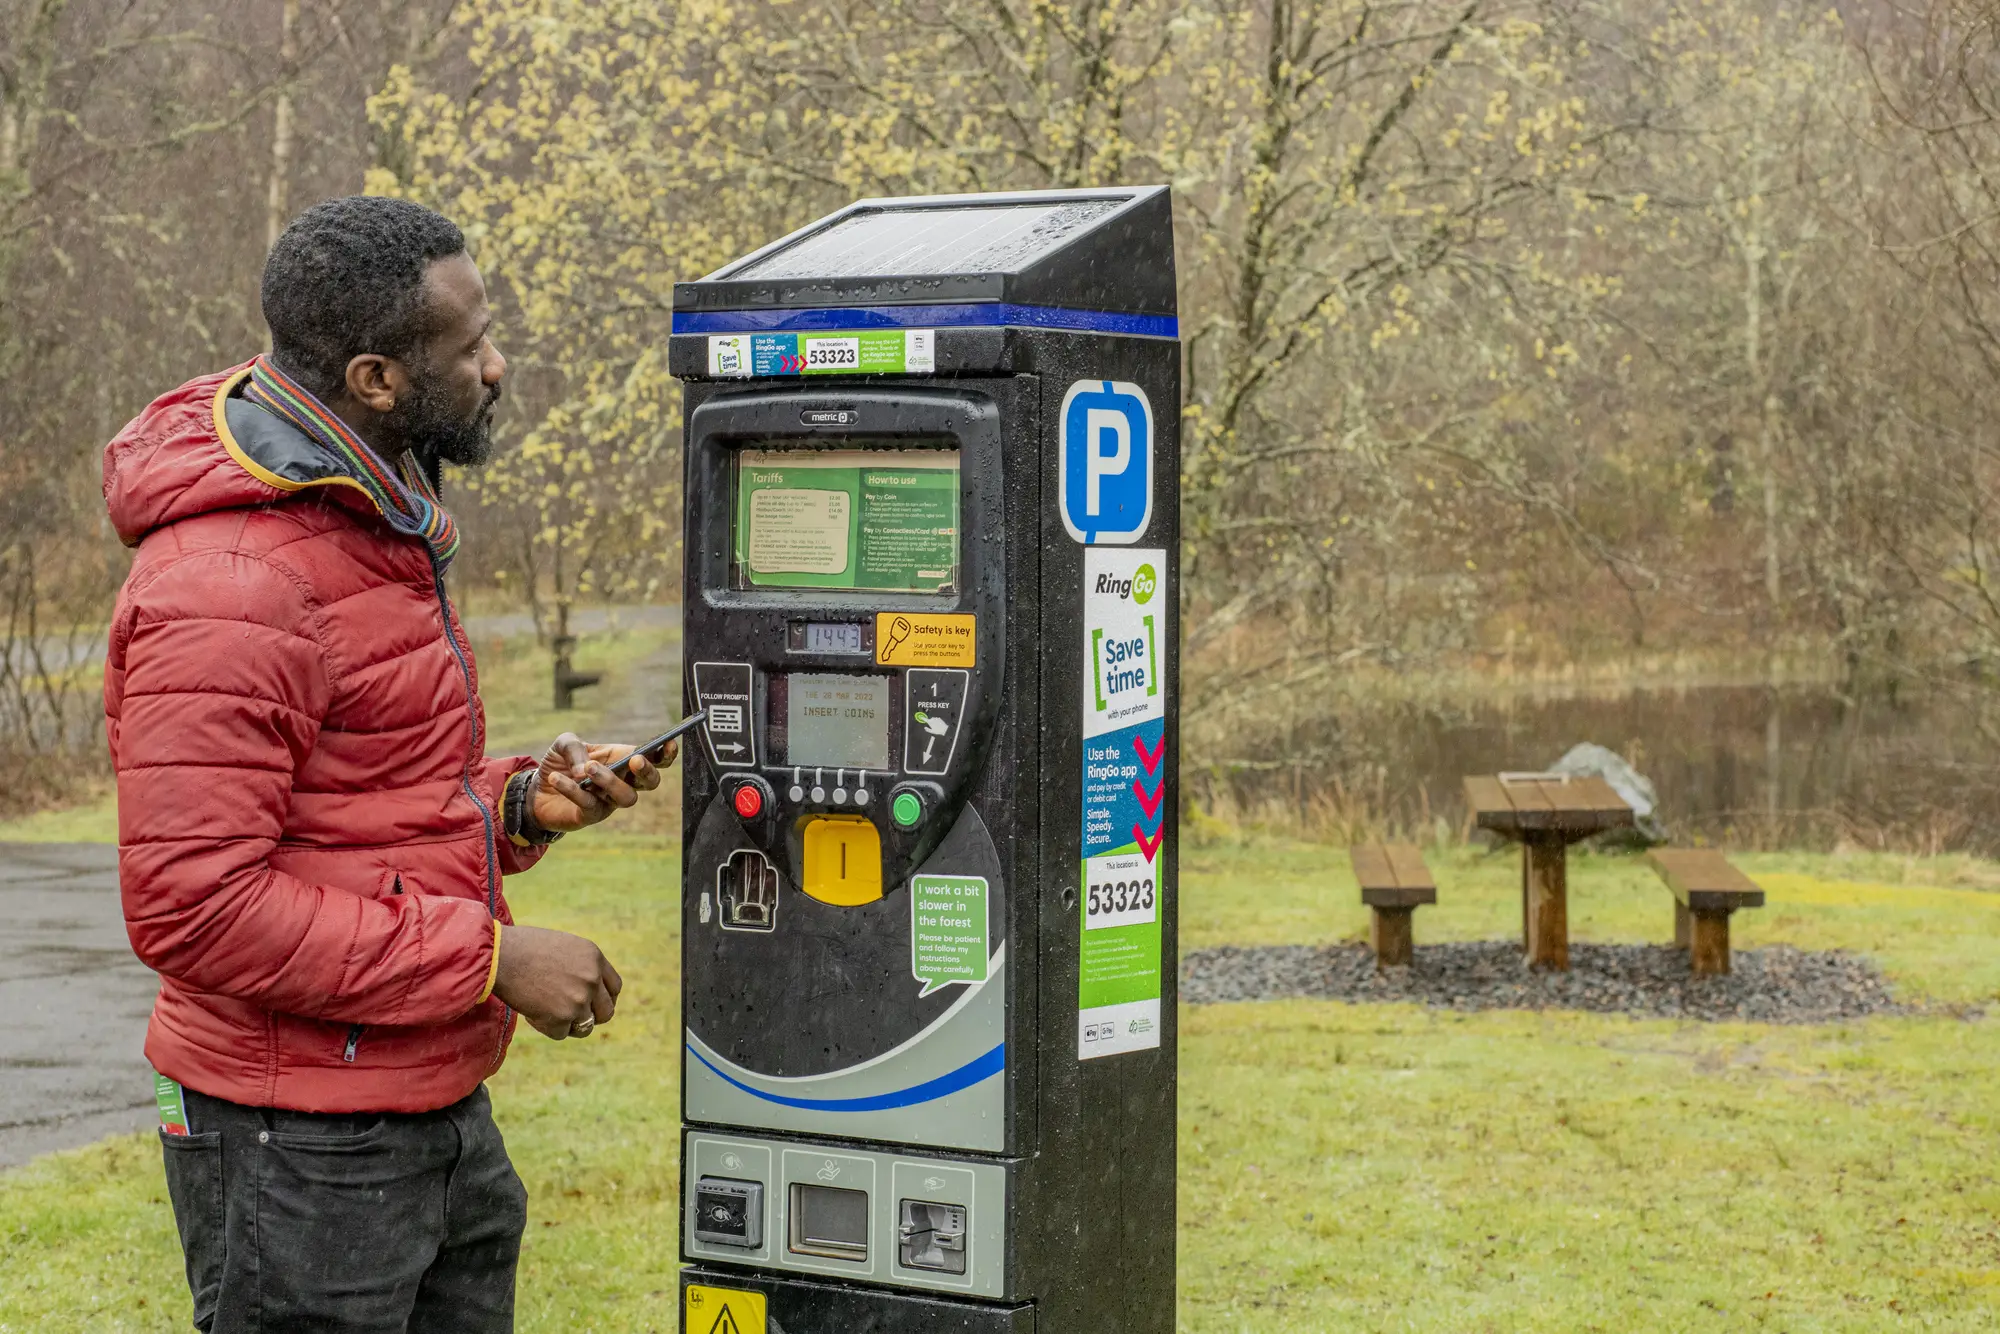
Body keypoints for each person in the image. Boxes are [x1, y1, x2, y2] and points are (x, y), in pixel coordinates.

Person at [100, 195, 661, 1333]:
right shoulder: (233, 581)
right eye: (470, 346)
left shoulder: (366, 518)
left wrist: (518, 800)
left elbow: (369, 800)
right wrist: (489, 956)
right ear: (374, 378)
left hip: (424, 1105)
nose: (497, 367)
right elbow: (194, 905)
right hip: (294, 1140)